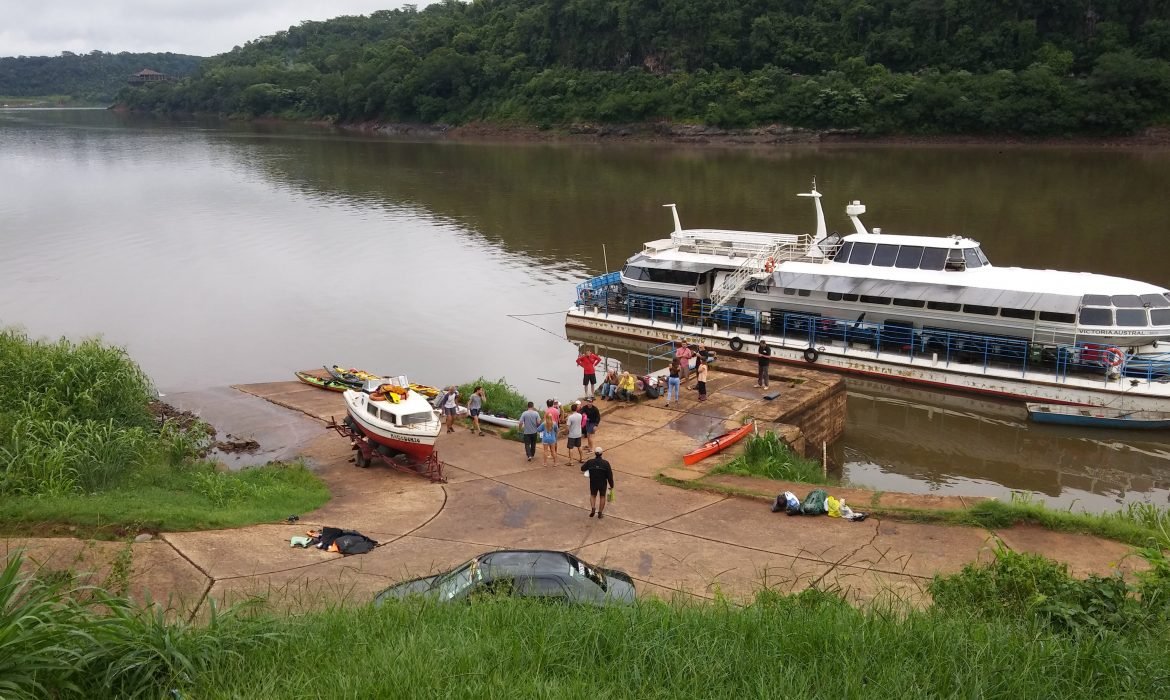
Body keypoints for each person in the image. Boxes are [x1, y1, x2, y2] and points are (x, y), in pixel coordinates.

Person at [581, 447, 615, 519]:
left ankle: (593, 508)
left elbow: (582, 468)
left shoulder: (590, 462)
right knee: (602, 496)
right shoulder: (606, 463)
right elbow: (610, 475)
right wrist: (611, 485)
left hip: (593, 482)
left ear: (595, 454)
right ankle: (600, 512)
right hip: (602, 483)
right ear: (601, 454)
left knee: (593, 495)